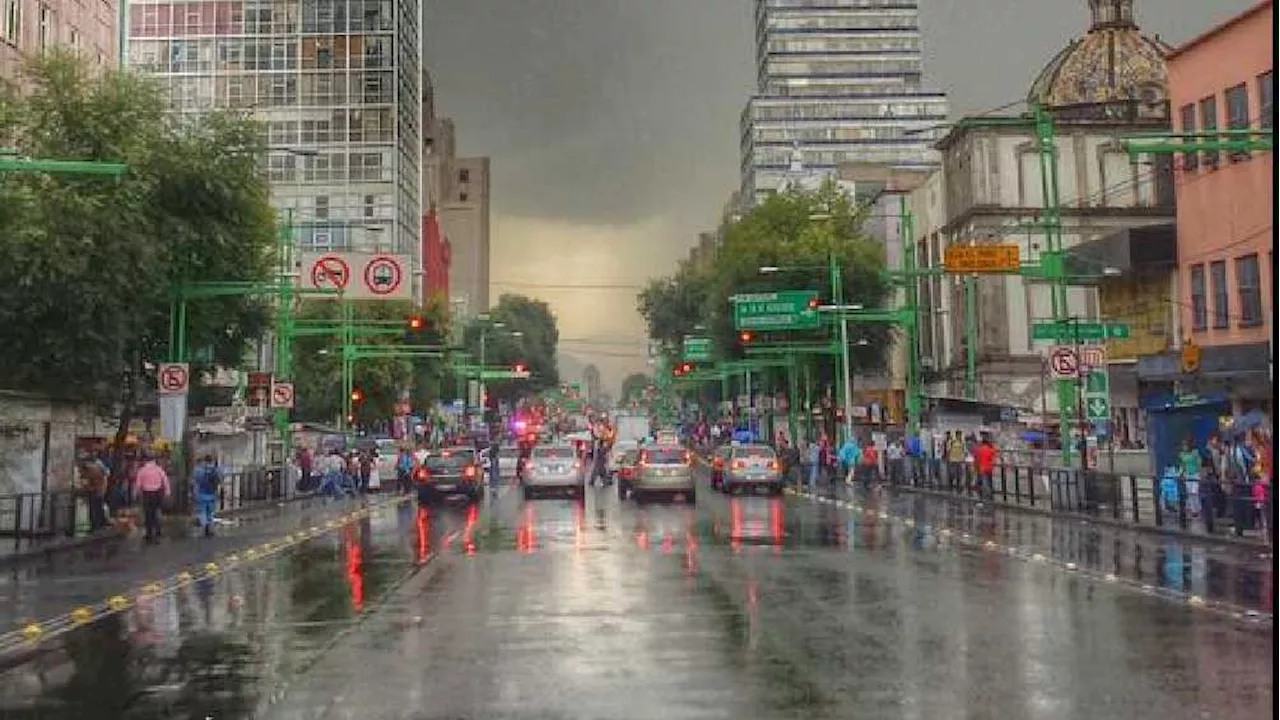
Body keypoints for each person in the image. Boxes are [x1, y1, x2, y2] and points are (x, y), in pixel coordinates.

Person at [133, 450, 171, 543]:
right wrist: (167, 492)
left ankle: (149, 534)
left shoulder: (142, 470)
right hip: (157, 493)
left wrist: (136, 494)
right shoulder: (159, 469)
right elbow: (165, 480)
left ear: (145, 460)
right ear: (154, 460)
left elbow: (138, 484)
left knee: (148, 514)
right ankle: (158, 531)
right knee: (156, 512)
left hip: (147, 494)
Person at [191, 454, 222, 536]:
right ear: (211, 460)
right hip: (212, 493)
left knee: (202, 511)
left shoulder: (198, 470)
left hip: (201, 493)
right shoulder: (215, 469)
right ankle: (210, 527)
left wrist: (193, 493)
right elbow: (220, 480)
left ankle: (204, 527)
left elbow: (194, 481)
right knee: (210, 512)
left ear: (204, 460)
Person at [79, 455, 109, 531]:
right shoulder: (98, 467)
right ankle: (101, 524)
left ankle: (95, 525)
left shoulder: (90, 469)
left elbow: (86, 480)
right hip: (99, 489)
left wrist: (85, 486)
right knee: (99, 507)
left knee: (94, 509)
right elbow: (105, 476)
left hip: (94, 490)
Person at [1177, 438, 1202, 518]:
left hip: (1195, 474)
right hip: (1187, 475)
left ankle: (1198, 508)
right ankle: (1193, 510)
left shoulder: (1195, 452)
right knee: (1189, 492)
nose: (1184, 447)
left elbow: (1199, 463)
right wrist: (1180, 473)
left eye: (1186, 445)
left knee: (1195, 491)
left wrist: (1199, 473)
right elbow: (1182, 465)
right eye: (1183, 446)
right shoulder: (1182, 454)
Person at [974, 434, 998, 501]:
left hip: (982, 468)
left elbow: (977, 460)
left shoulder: (980, 449)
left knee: (984, 483)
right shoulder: (990, 449)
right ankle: (990, 495)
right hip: (989, 468)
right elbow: (994, 456)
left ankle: (987, 496)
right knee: (989, 482)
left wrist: (976, 467)